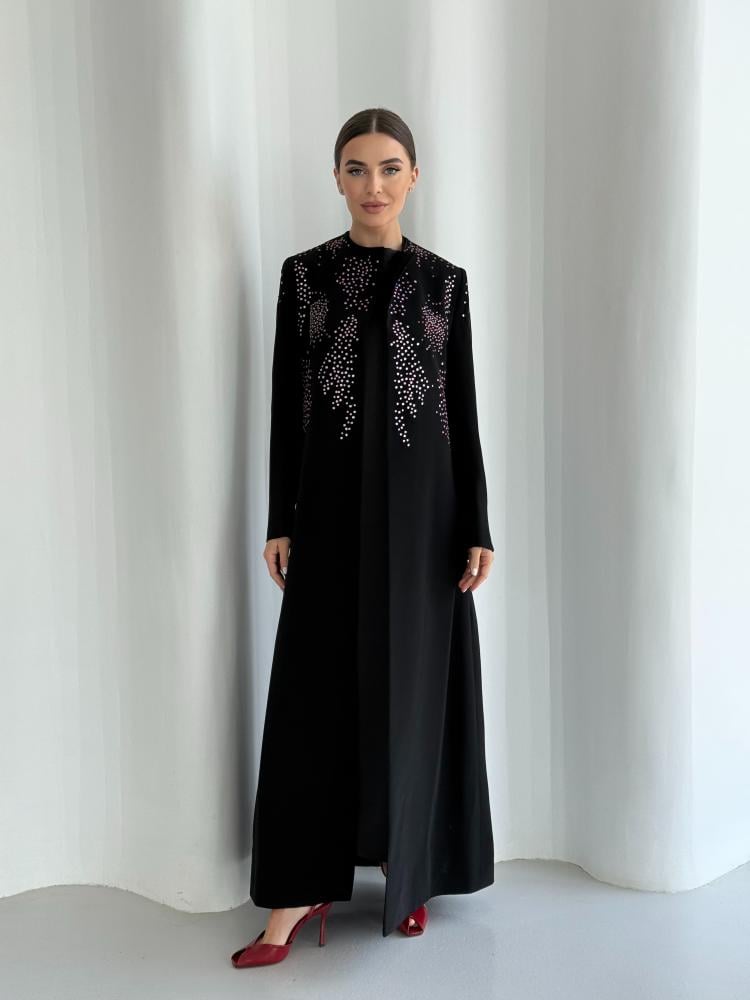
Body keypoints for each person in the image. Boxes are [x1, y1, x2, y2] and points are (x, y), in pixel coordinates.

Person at [231, 107, 495, 969]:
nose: (372, 185)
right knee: (317, 689)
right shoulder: (305, 277)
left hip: (425, 521)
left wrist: (478, 524)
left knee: (414, 689)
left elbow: (462, 411)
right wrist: (280, 518)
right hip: (329, 511)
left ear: (414, 177)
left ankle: (407, 871)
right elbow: (286, 407)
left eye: (388, 168)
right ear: (337, 178)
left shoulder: (444, 283)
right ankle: (298, 890)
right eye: (356, 168)